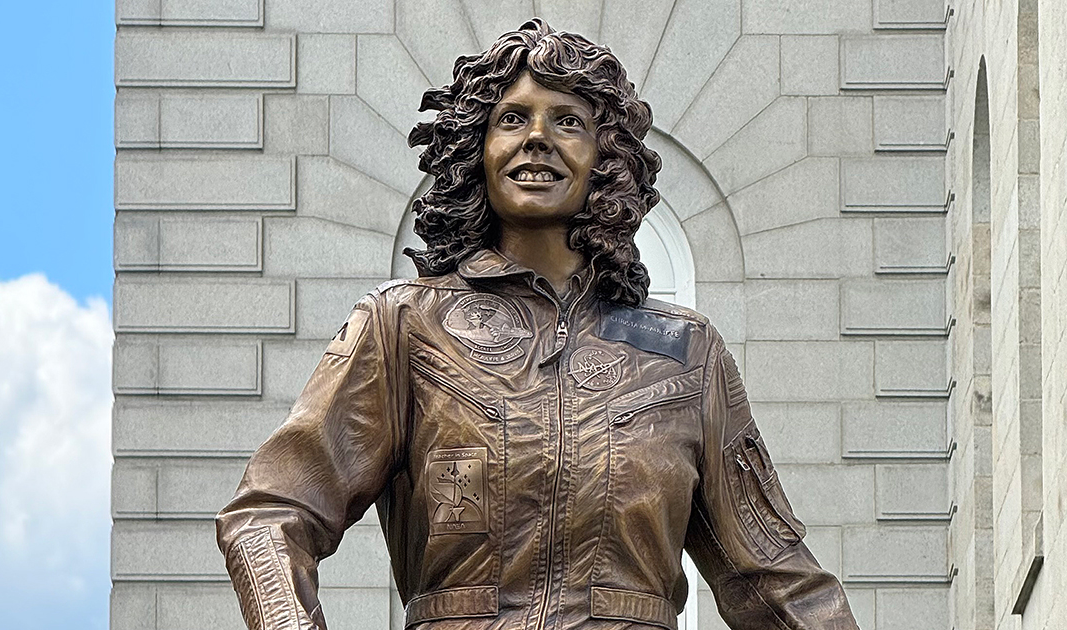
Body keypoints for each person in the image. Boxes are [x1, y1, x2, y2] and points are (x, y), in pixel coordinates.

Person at [216, 19, 860, 630]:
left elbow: (777, 583)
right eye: (512, 119)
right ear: (479, 148)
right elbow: (272, 512)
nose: (537, 137)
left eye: (569, 122)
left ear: (605, 157)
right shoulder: (404, 326)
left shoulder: (688, 354)